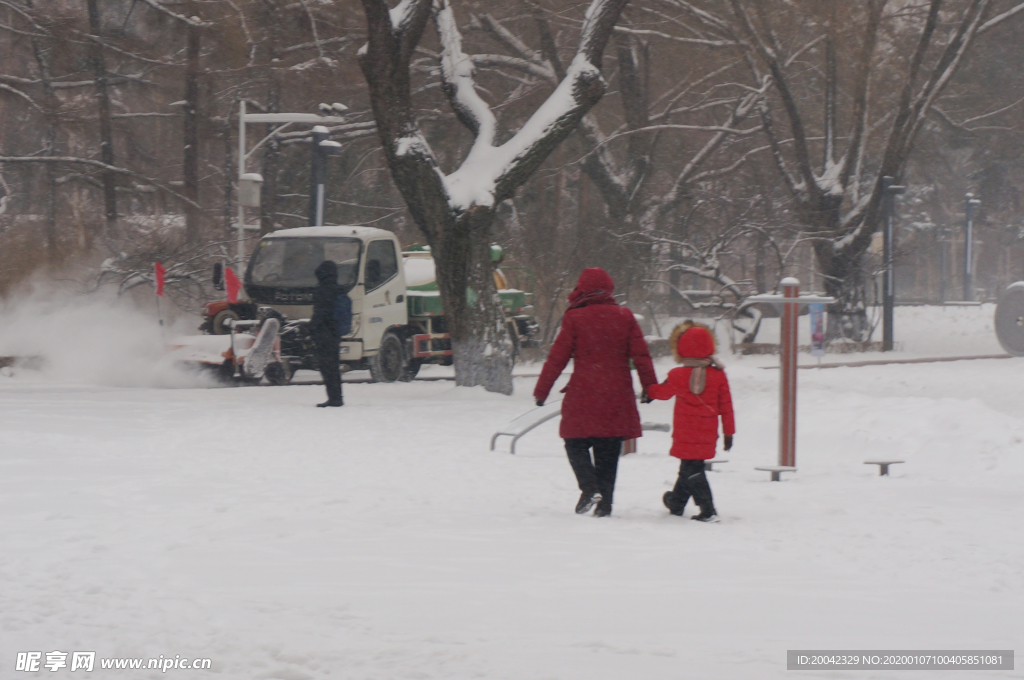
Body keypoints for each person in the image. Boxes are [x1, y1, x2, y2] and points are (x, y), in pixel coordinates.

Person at [534, 268, 657, 517]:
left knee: (574, 442)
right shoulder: (625, 316)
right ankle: (605, 506)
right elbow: (641, 356)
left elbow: (556, 358)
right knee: (608, 450)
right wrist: (649, 387)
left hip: (584, 393)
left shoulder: (575, 318)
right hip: (617, 395)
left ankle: (589, 488)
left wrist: (542, 390)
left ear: (582, 288)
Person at [646, 321, 735, 522]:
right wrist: (729, 433)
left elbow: (662, 393)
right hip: (707, 433)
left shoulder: (677, 375)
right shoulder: (719, 375)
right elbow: (726, 407)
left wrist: (648, 391)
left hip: (685, 433)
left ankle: (708, 510)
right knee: (689, 466)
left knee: (692, 469)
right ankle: (676, 502)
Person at [309, 260, 344, 407]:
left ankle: (334, 398)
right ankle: (337, 397)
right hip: (335, 332)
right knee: (333, 366)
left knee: (326, 366)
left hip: (324, 333)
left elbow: (320, 313)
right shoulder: (339, 289)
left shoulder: (323, 290)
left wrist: (311, 328)